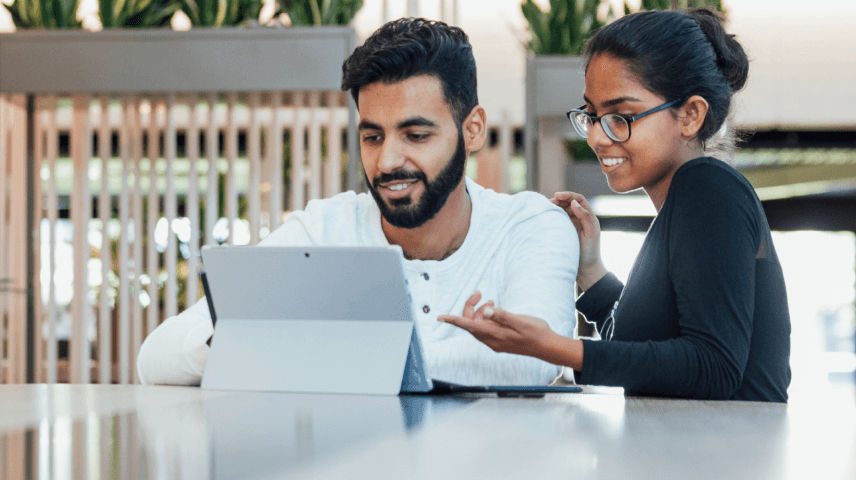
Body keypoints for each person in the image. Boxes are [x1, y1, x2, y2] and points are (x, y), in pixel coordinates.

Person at [137, 18, 579, 387]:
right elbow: (156, 359)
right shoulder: (324, 229)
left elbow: (532, 363)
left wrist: (309, 354)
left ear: (473, 130)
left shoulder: (531, 224)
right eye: (372, 136)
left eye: (417, 135)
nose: (387, 161)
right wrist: (244, 339)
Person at [440, 8, 791, 402]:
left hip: (724, 458)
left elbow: (712, 367)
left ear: (690, 115)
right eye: (592, 116)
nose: (597, 138)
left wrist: (550, 346)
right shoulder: (683, 205)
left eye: (621, 116)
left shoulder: (707, 186)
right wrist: (591, 269)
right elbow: (642, 349)